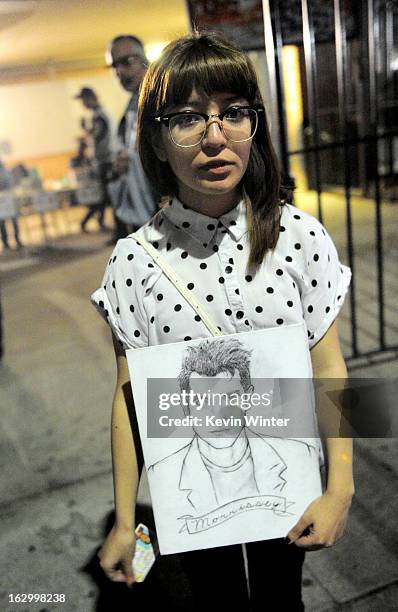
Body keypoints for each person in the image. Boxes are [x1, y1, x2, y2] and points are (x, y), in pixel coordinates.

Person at [91, 31, 354, 610]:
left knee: (284, 601)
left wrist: (341, 487)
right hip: (192, 498)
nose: (215, 137)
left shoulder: (298, 237)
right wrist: (125, 525)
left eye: (233, 113)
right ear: (157, 142)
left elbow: (330, 367)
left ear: (253, 126)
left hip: (287, 481)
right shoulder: (132, 263)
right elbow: (128, 398)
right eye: (187, 118)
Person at [106, 34, 157, 243]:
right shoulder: (131, 106)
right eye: (115, 66)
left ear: (145, 59)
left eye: (127, 62)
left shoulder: (161, 96)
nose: (120, 72)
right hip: (144, 212)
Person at [75, 87, 113, 232]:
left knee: (104, 195)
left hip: (105, 160)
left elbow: (98, 135)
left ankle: (88, 222)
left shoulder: (99, 115)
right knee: (104, 195)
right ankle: (100, 222)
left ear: (90, 98)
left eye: (83, 100)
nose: (83, 104)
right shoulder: (101, 113)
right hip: (104, 159)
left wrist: (86, 131)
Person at [0, 159, 23, 251]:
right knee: (4, 223)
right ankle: (8, 242)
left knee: (9, 222)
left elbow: (12, 185)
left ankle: (13, 241)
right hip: (4, 202)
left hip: (8, 201)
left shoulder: (7, 173)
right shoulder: (7, 172)